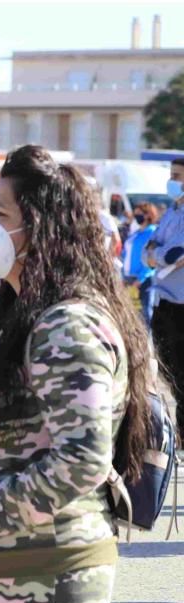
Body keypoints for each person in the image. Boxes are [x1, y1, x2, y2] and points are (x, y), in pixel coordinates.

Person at [0, 145, 156, 603]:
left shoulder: (66, 325)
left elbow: (82, 458)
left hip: (37, 576)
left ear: (42, 230)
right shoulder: (11, 315)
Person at [145, 156, 184, 440]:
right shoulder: (171, 211)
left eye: (178, 176)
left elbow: (176, 255)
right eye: (172, 175)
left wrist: (156, 255)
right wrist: (157, 255)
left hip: (181, 305)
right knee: (167, 373)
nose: (173, 181)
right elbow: (151, 247)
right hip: (163, 301)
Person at [123, 202, 159, 327]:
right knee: (130, 315)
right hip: (129, 278)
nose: (136, 216)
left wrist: (141, 278)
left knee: (144, 315)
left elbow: (152, 258)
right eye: (135, 213)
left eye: (139, 214)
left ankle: (147, 343)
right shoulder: (136, 233)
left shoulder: (152, 232)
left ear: (148, 215)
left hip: (142, 280)